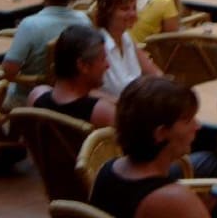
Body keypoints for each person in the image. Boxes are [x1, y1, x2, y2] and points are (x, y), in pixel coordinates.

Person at [89, 76, 209, 218]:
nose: (197, 126)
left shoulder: (106, 170)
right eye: (187, 121)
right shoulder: (174, 200)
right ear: (160, 133)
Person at [1, 0, 91, 107]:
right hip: (73, 96)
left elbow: (9, 71)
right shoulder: (84, 21)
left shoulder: (29, 25)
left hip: (30, 99)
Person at [29, 24, 116, 127]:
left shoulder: (36, 97)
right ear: (83, 66)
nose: (107, 65)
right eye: (102, 59)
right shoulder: (103, 112)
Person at [94, 0, 163, 97]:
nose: (133, 14)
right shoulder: (96, 45)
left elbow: (155, 73)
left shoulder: (125, 37)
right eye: (125, 9)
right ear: (107, 13)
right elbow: (86, 91)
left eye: (134, 8)